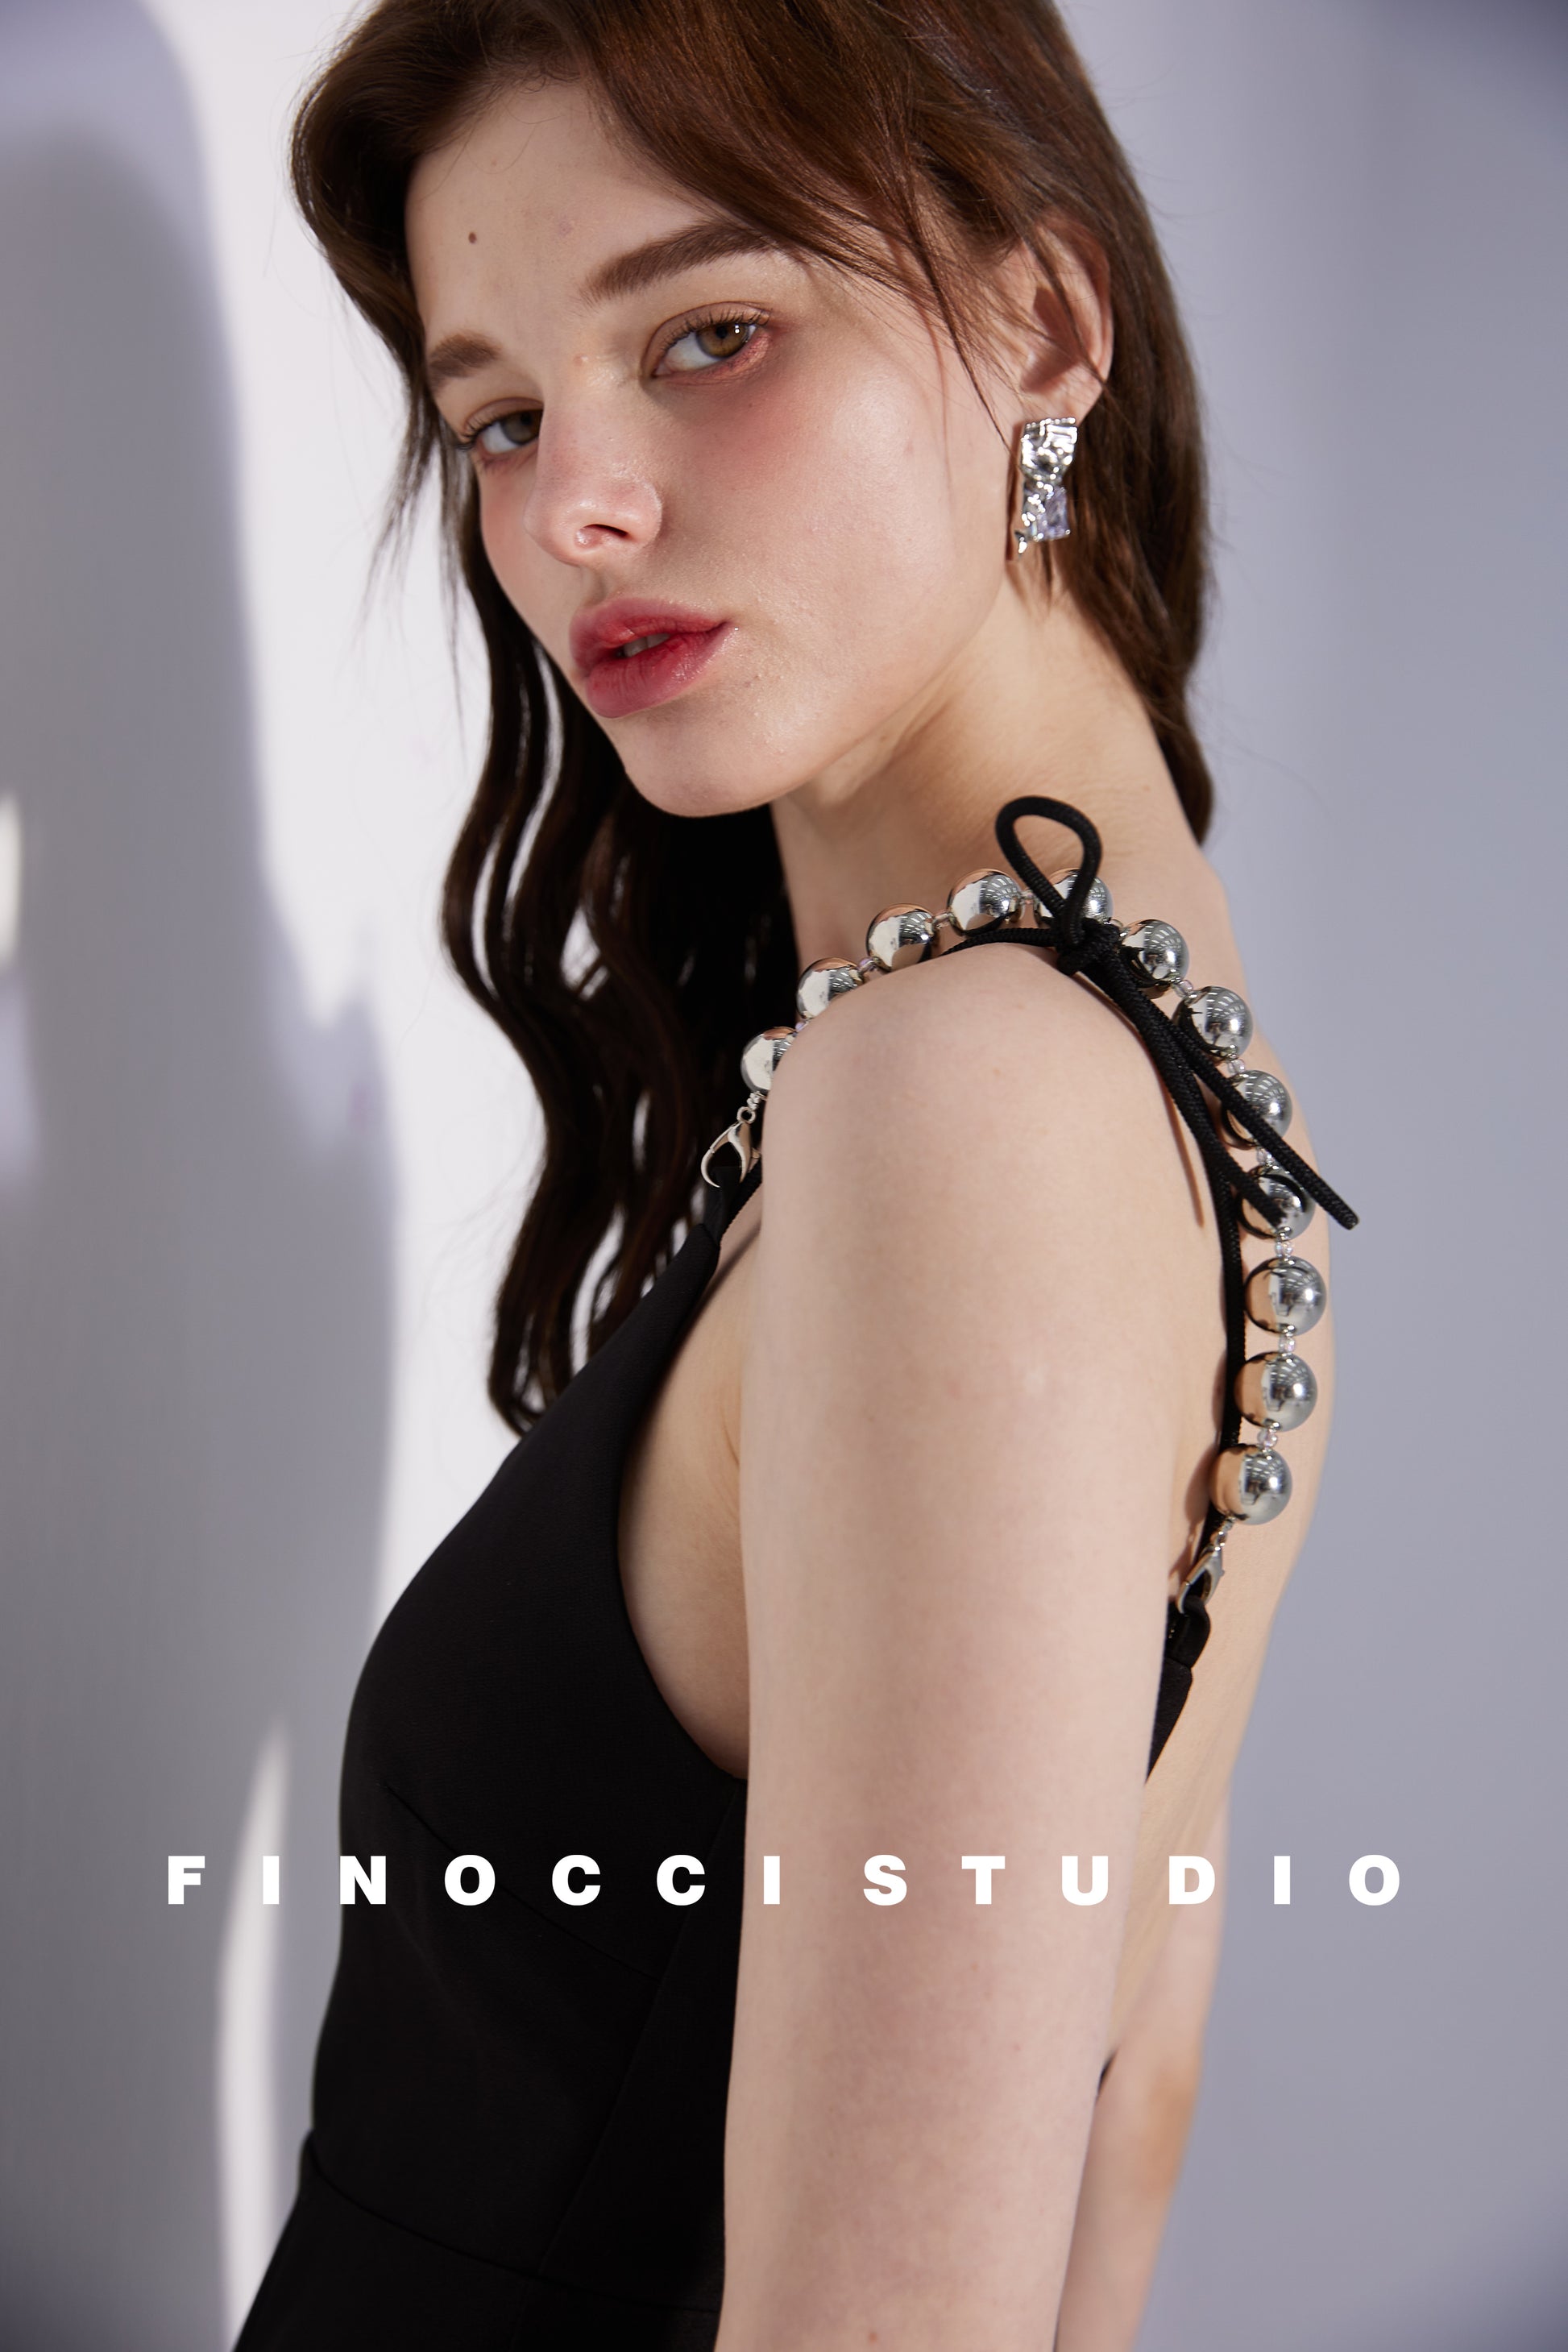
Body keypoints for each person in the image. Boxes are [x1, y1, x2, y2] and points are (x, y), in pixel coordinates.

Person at [236, 2, 1354, 2345]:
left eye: (707, 336)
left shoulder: (968, 1097)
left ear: (1040, 323)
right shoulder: (1168, 1060)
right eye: (499, 418)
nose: (571, 510)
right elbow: (1119, 2138)